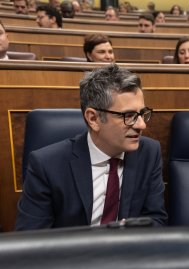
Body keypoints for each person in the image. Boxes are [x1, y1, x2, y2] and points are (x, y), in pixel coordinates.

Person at [15, 64, 168, 230]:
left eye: (142, 114)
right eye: (129, 116)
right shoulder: (46, 165)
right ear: (93, 119)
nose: (141, 125)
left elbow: (156, 220)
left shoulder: (149, 153)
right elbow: (32, 237)